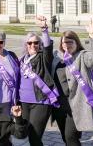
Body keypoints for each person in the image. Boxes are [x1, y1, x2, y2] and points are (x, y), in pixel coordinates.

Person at [51, 17, 93, 146]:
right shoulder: (57, 57)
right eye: (64, 42)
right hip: (59, 105)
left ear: (76, 42)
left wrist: (92, 35)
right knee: (66, 137)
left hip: (75, 104)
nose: (66, 45)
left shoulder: (82, 56)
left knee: (70, 138)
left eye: (70, 42)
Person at [18, 16, 58, 146]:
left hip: (41, 101)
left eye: (36, 43)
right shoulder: (22, 59)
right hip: (24, 102)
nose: (33, 45)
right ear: (26, 45)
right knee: (27, 135)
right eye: (30, 43)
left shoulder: (44, 58)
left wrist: (44, 30)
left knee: (35, 137)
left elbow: (47, 47)